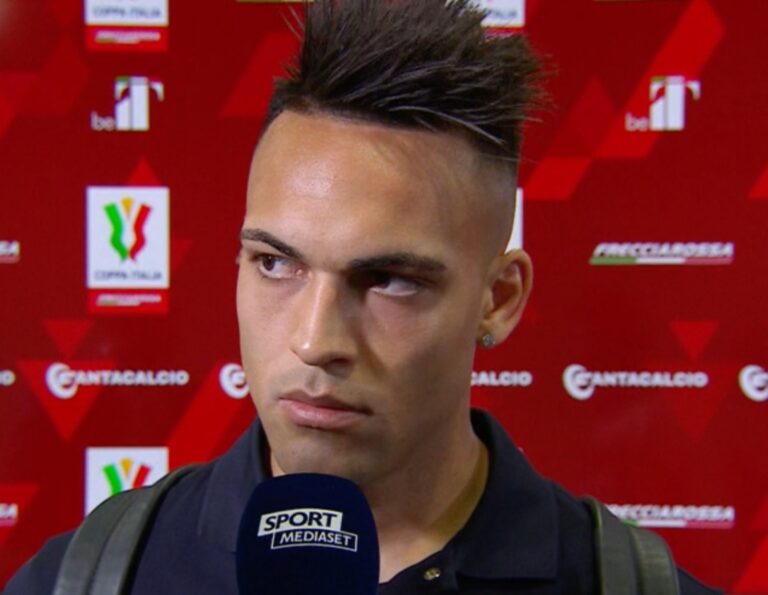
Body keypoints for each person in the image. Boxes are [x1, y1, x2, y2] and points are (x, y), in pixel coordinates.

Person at [7, 0, 721, 593]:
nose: (315, 340)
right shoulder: (90, 575)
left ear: (499, 299)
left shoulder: (622, 582)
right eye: (275, 263)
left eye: (389, 280)